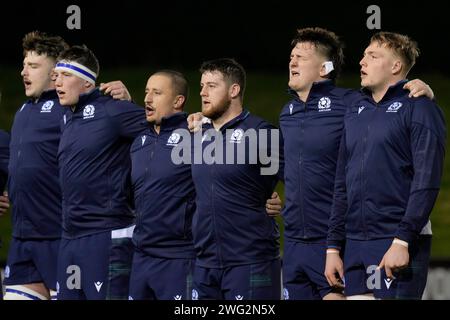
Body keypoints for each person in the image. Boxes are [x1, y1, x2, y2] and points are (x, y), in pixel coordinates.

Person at [325, 31, 446, 300]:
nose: (362, 61)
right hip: (356, 245)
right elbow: (341, 182)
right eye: (364, 55)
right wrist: (333, 247)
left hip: (397, 242)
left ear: (395, 67)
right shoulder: (355, 108)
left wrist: (402, 240)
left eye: (373, 56)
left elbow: (426, 180)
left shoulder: (419, 108)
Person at [54, 45, 146, 300]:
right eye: (56, 75)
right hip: (70, 236)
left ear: (86, 83)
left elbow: (161, 129)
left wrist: (131, 103)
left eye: (66, 75)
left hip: (106, 235)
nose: (57, 82)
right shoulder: (67, 117)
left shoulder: (112, 109)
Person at [190, 58, 282, 300]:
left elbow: (296, 179)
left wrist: (281, 201)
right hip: (204, 264)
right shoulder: (197, 134)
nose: (203, 92)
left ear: (234, 90)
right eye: (202, 86)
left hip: (250, 262)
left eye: (211, 85)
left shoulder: (262, 133)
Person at [2, 31, 68, 300]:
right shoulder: (22, 111)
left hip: (58, 238)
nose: (23, 72)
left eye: (33, 66)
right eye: (23, 65)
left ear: (55, 73)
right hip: (22, 239)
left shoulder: (70, 110)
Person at [128, 70, 196, 300]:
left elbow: (226, 180)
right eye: (147, 92)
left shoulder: (195, 138)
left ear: (178, 101)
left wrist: (263, 198)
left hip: (179, 259)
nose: (147, 98)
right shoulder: (139, 142)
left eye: (157, 93)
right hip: (140, 258)